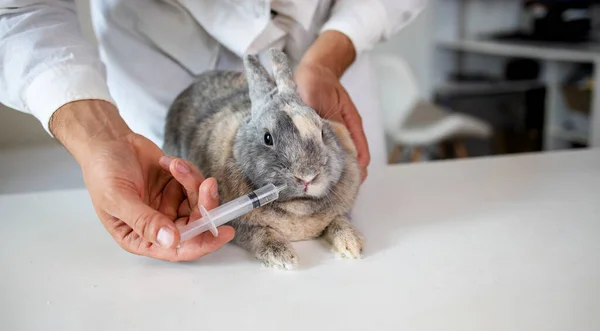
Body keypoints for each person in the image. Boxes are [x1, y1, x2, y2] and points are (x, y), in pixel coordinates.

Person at [0, 0, 426, 262]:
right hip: (159, 43)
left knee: (370, 232)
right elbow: (19, 11)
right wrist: (100, 137)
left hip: (322, 45)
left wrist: (333, 53)